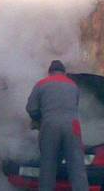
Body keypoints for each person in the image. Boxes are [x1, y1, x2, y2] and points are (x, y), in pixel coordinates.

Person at [26, 60, 89, 191]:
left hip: (50, 125)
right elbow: (75, 106)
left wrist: (38, 119)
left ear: (49, 72)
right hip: (73, 126)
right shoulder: (73, 85)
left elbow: (31, 108)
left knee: (48, 166)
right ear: (64, 72)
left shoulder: (41, 84)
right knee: (77, 166)